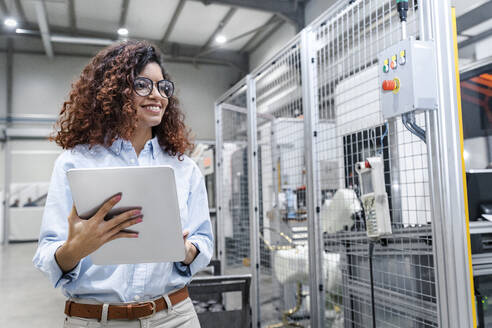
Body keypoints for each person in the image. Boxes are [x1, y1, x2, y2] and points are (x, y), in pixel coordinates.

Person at [33, 40, 213, 327]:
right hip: (96, 319)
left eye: (163, 87)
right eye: (143, 85)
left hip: (175, 317)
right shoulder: (75, 162)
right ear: (115, 91)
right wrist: (76, 248)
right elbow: (47, 254)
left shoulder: (184, 168)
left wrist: (188, 250)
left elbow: (204, 239)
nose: (158, 95)